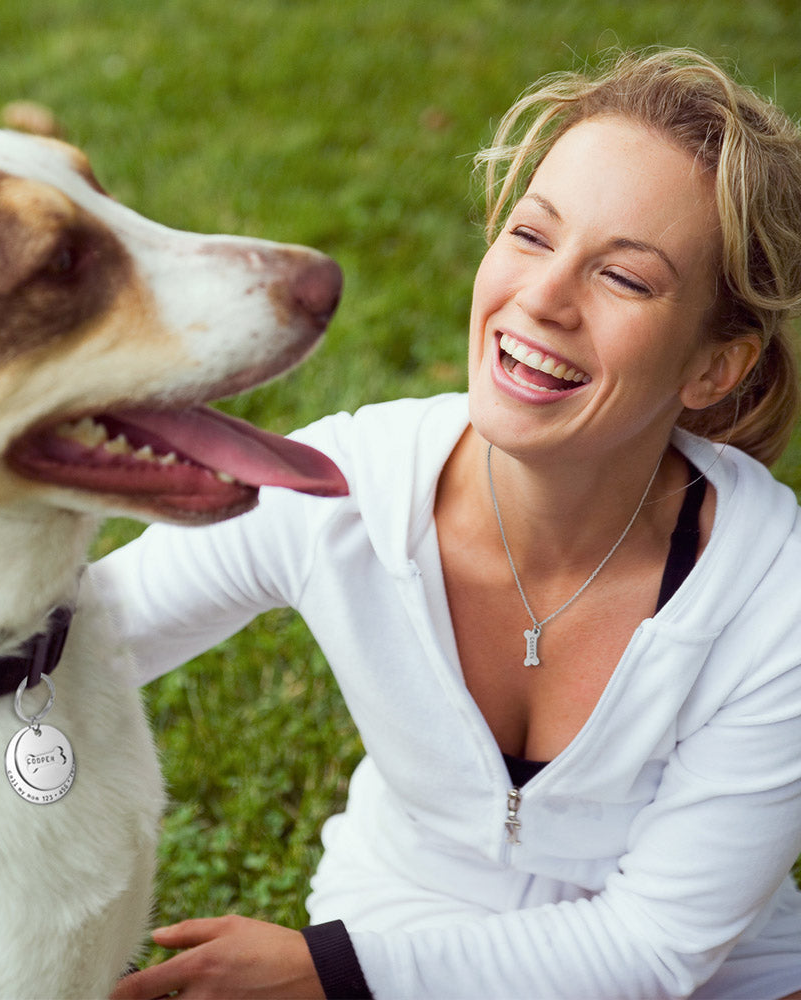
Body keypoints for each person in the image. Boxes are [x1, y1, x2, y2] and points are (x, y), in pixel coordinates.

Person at [103, 47, 801, 999]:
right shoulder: (344, 492)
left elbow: (659, 948)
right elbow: (79, 638)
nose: (545, 299)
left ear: (715, 368)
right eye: (530, 235)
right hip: (406, 915)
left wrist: (334, 973)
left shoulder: (775, 596)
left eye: (625, 280)